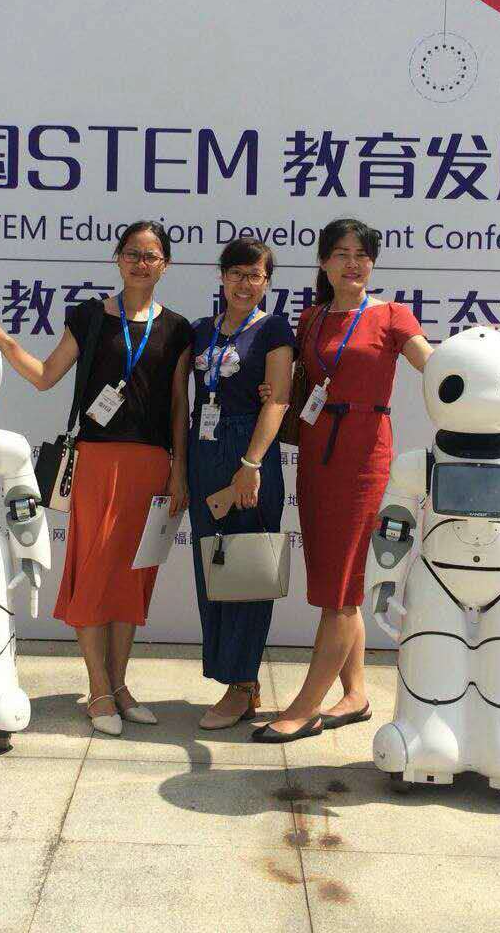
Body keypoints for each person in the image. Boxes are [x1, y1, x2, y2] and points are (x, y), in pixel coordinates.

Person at [0, 220, 192, 736]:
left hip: (151, 465)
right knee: (92, 573)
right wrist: (2, 339)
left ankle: (121, 685)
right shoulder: (88, 317)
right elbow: (45, 376)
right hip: (96, 462)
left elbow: (180, 403)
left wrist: (179, 468)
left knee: (132, 577)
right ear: (117, 258)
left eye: (151, 256)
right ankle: (99, 689)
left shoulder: (178, 329)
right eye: (132, 253)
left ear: (165, 265)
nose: (141, 263)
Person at [255, 218, 434, 743]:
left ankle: (305, 707)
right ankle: (355, 695)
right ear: (324, 262)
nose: (352, 264)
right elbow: (297, 380)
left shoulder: (392, 314)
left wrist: (474, 363)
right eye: (341, 254)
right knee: (337, 583)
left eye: (362, 255)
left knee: (341, 591)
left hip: (363, 455)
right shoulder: (311, 317)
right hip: (317, 456)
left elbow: (432, 364)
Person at [169, 239, 296, 730]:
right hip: (205, 452)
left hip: (249, 453)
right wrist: (181, 468)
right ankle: (238, 678)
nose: (245, 284)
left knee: (247, 571)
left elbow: (278, 399)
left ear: (267, 282)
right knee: (214, 569)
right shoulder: (200, 331)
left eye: (255, 275)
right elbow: (180, 398)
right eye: (237, 273)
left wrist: (251, 463)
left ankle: (240, 685)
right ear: (222, 277)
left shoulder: (274, 329)